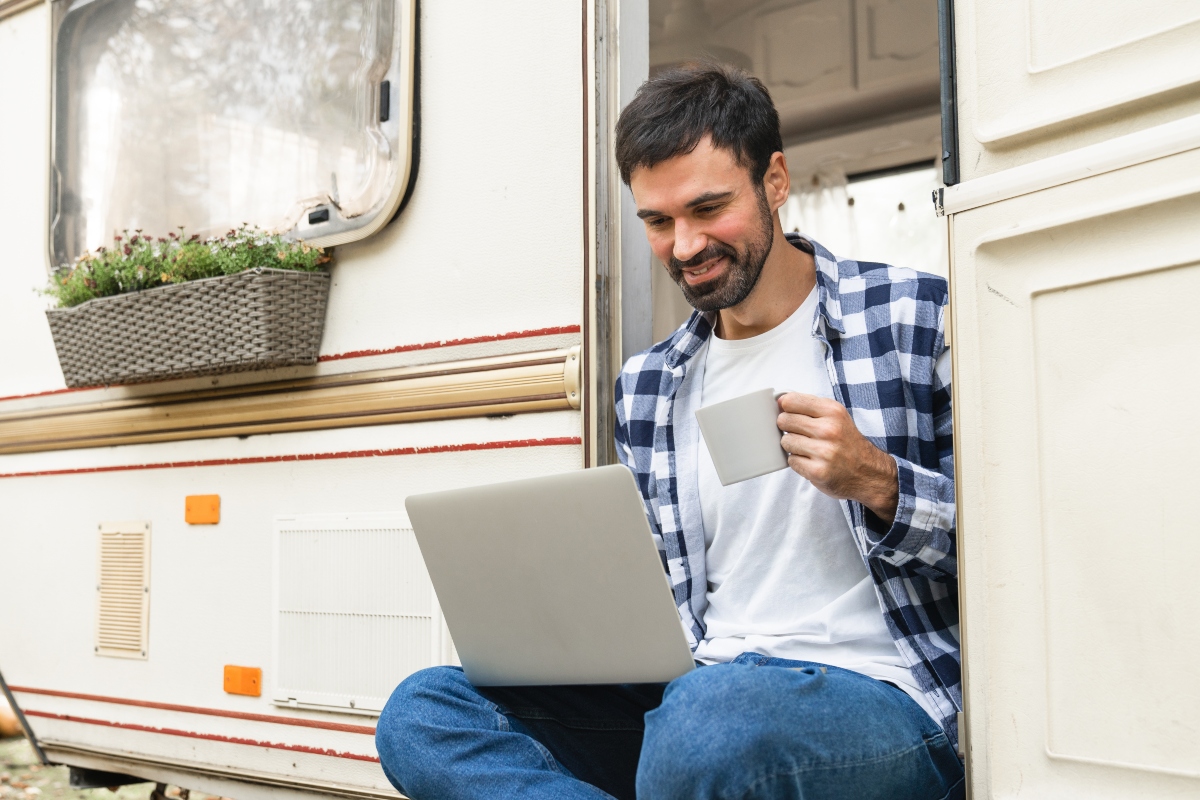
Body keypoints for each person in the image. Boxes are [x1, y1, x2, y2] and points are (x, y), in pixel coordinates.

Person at [375, 63, 963, 800]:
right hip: (699, 688)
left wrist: (878, 480)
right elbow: (668, 595)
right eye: (658, 221)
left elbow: (1015, 555)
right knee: (422, 713)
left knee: (703, 722)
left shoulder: (913, 317)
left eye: (708, 208)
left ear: (775, 181)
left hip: (881, 697)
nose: (684, 246)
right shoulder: (650, 385)